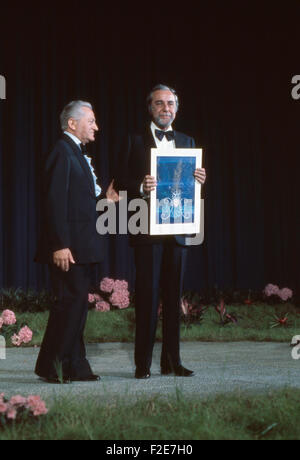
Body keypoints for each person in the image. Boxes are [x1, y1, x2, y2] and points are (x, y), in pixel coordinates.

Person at [122, 84, 206, 379]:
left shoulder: (187, 140)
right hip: (147, 232)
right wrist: (138, 186)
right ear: (150, 108)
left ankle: (172, 362)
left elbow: (188, 185)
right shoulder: (134, 141)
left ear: (177, 108)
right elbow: (120, 183)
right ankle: (142, 365)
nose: (165, 108)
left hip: (179, 230)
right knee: (147, 298)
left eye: (170, 103)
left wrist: (200, 178)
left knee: (174, 299)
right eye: (159, 104)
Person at [35, 100, 117, 383]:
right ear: (72, 123)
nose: (97, 126)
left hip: (80, 247)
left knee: (76, 306)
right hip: (68, 248)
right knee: (69, 306)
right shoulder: (62, 152)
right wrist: (59, 244)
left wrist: (104, 200)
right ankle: (52, 366)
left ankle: (75, 366)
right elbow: (54, 202)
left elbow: (79, 204)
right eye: (91, 121)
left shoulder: (75, 153)